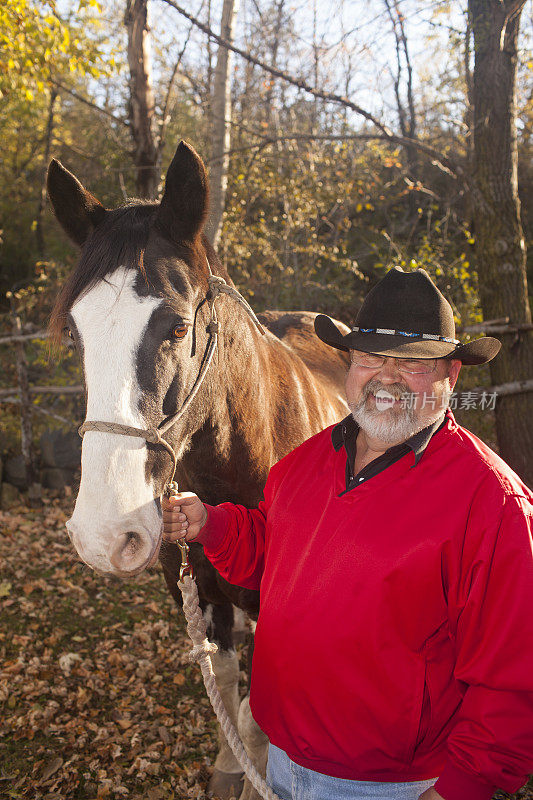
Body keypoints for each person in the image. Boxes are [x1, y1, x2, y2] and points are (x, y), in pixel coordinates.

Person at [162, 267, 533, 800]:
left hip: (393, 786)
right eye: (371, 357)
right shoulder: (301, 466)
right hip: (282, 759)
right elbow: (274, 555)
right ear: (349, 365)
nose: (387, 376)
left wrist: (458, 789)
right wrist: (213, 523)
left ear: (452, 374)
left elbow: (514, 679)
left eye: (411, 362)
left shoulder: (493, 504)